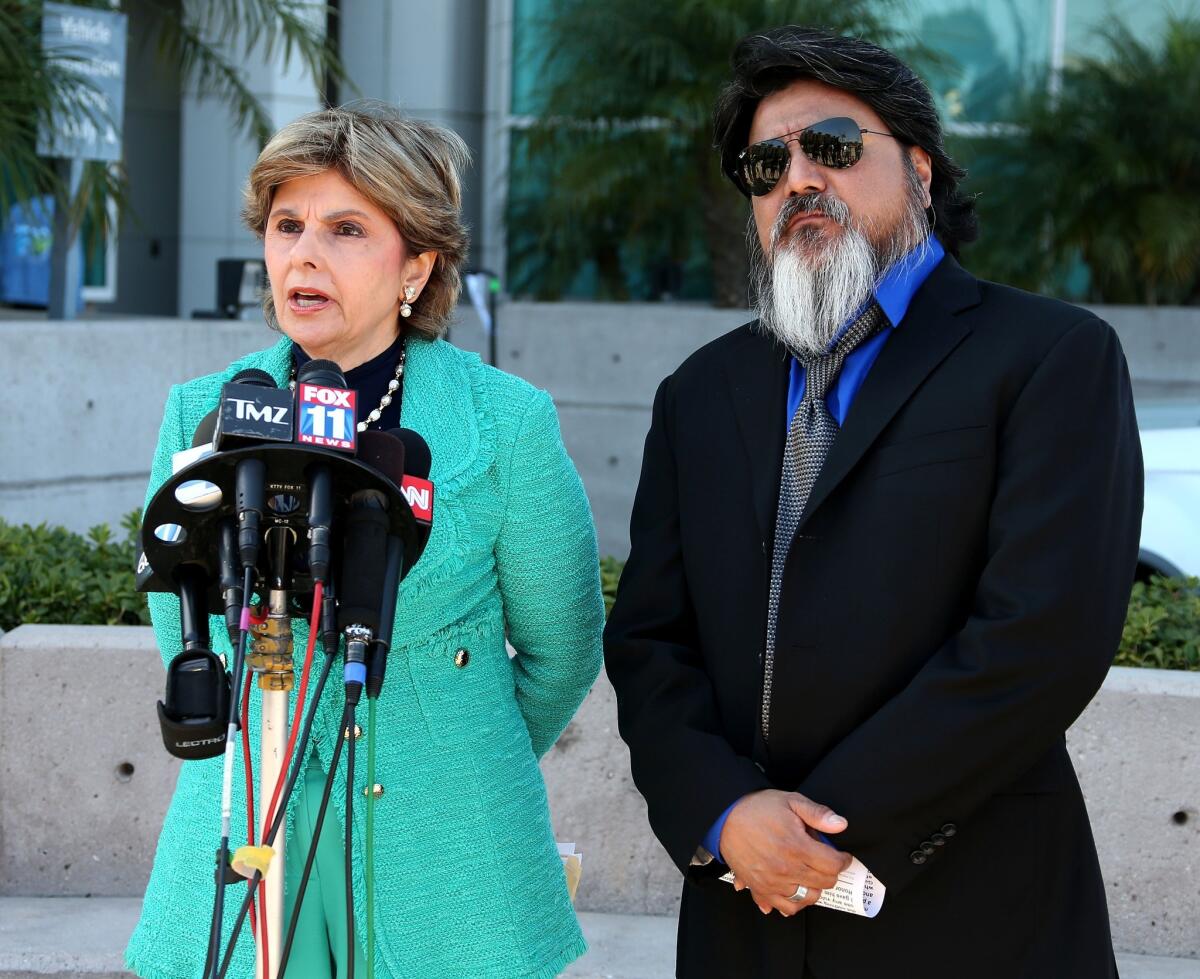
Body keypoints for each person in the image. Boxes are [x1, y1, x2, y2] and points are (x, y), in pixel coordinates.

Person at [604, 26, 1143, 979]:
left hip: (965, 907)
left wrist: (814, 831)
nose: (798, 179)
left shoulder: (1049, 355)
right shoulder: (699, 391)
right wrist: (728, 816)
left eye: (835, 148)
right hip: (745, 921)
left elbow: (1041, 635)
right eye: (766, 165)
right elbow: (651, 642)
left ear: (922, 169)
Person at [126, 102, 604, 979]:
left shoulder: (506, 424)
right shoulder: (198, 412)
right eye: (287, 225)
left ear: (418, 263)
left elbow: (563, 651)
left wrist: (453, 745)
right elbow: (185, 631)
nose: (304, 254)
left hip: (445, 841)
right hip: (249, 828)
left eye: (347, 228)